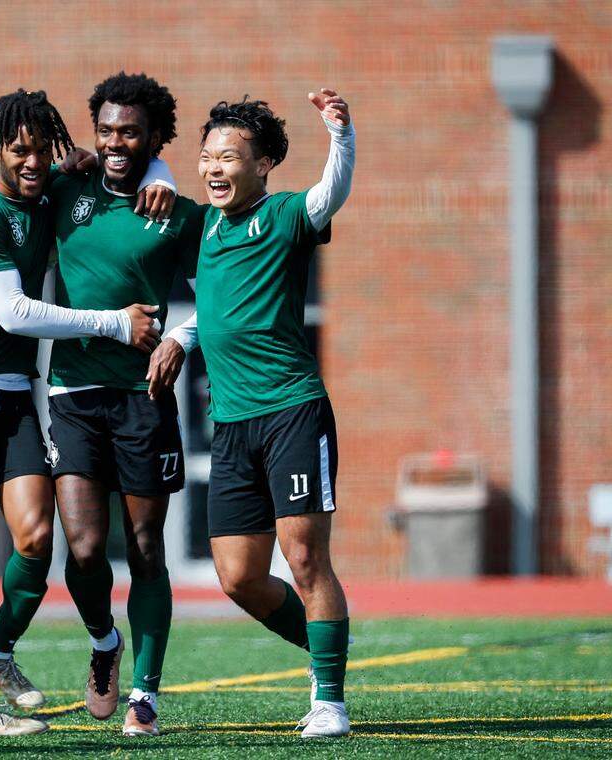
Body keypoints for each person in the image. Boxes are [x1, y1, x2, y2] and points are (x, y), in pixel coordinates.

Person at [0, 88, 173, 737]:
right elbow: (14, 313)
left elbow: (118, 167)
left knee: (34, 539)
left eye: (40, 149)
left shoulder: (51, 190)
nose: (31, 161)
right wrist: (114, 324)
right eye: (17, 149)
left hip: (13, 395)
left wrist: (162, 176)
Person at [191, 89, 355, 738]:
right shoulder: (199, 225)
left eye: (229, 156)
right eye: (206, 157)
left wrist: (340, 133)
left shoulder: (286, 214)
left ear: (262, 166)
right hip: (230, 425)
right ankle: (324, 652)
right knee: (237, 577)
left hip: (292, 411)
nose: (213, 168)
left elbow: (331, 192)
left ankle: (331, 700)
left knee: (305, 558)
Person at [45, 71, 202, 737]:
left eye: (129, 132)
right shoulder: (66, 191)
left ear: (154, 138)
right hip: (74, 394)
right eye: (105, 129)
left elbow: (220, 291)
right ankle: (104, 641)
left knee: (144, 547)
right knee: (82, 549)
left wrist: (179, 337)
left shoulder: (177, 212)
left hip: (145, 398)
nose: (114, 141)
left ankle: (146, 692)